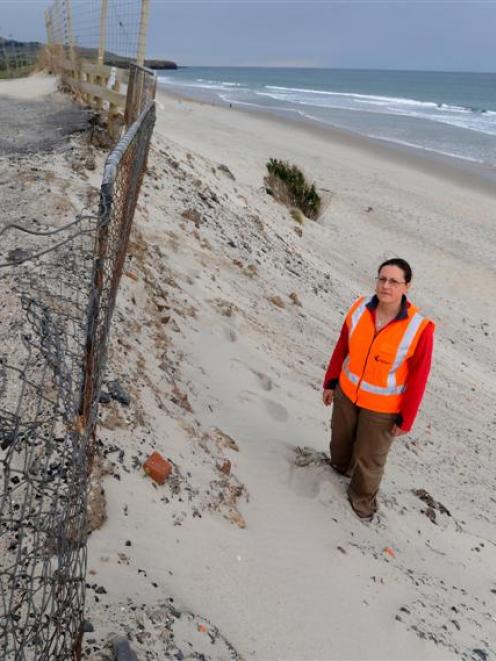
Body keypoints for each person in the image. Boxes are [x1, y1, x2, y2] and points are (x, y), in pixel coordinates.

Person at [322, 258, 434, 520]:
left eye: (394, 281)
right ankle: (338, 469)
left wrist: (407, 417)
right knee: (340, 443)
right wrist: (331, 381)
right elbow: (342, 346)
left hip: (383, 408)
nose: (386, 286)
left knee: (369, 459)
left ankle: (361, 503)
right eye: (382, 279)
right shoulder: (360, 307)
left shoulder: (420, 328)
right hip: (347, 393)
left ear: (406, 286)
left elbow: (419, 376)